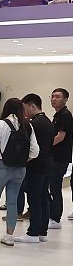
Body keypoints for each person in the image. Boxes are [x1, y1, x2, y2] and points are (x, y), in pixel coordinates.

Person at [0, 98, 39, 246]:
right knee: (12, 202)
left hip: (1, 167)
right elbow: (35, 151)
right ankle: (9, 236)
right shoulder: (28, 125)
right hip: (20, 169)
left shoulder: (0, 124)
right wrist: (22, 160)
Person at [14, 94, 55, 243]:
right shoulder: (49, 122)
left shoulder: (33, 124)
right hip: (47, 164)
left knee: (35, 199)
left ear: (32, 106)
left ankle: (33, 232)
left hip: (35, 166)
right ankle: (42, 232)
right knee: (44, 198)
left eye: (24, 108)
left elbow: (30, 148)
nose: (24, 112)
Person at [49, 88, 73, 225]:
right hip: (55, 157)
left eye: (57, 96)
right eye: (52, 96)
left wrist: (45, 147)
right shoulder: (58, 115)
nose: (54, 99)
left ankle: (55, 218)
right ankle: (52, 214)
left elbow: (60, 137)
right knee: (52, 186)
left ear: (65, 99)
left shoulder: (65, 115)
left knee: (55, 187)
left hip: (59, 158)